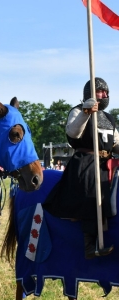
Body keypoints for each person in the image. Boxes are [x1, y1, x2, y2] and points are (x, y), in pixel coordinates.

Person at [43, 77, 119, 259]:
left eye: (106, 92)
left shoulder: (108, 118)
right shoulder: (78, 111)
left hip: (106, 162)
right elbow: (72, 132)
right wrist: (86, 111)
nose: (105, 95)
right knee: (92, 190)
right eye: (101, 91)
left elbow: (116, 143)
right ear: (91, 93)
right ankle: (89, 244)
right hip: (85, 162)